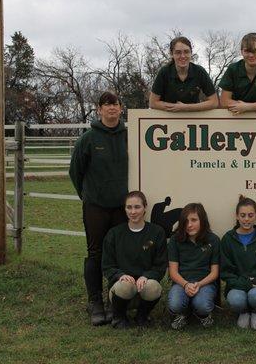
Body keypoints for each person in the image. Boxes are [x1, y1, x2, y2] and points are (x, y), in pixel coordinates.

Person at [69, 91, 128, 326]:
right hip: (96, 206)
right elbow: (76, 172)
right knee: (95, 253)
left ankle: (116, 299)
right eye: (106, 105)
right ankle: (95, 301)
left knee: (119, 254)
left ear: (121, 108)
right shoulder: (88, 139)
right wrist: (87, 196)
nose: (111, 108)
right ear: (99, 110)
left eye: (115, 104)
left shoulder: (129, 136)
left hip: (123, 207)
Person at [102, 191, 167, 329]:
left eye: (137, 207)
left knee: (154, 287)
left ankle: (142, 316)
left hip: (143, 289)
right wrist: (121, 275)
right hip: (122, 290)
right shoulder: (114, 234)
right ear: (125, 209)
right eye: (129, 207)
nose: (133, 211)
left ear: (145, 207)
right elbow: (107, 266)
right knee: (125, 285)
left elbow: (160, 265)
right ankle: (119, 316)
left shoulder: (157, 232)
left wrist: (147, 276)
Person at [220, 196, 256, 329]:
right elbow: (225, 270)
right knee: (236, 300)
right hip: (236, 286)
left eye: (250, 215)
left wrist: (255, 280)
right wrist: (243, 282)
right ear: (237, 216)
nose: (246, 219)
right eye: (243, 215)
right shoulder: (228, 239)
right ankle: (244, 312)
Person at [167, 203, 220, 329]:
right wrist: (186, 285)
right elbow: (173, 272)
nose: (189, 225)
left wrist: (199, 284)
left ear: (202, 220)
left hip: (205, 283)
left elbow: (214, 272)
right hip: (181, 282)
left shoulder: (213, 240)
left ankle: (202, 315)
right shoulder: (175, 240)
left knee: (203, 305)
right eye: (185, 221)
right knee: (175, 304)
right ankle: (183, 314)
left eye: (194, 220)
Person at [149, 36, 218, 112]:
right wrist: (175, 107)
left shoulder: (199, 71)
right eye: (178, 52)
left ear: (191, 53)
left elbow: (214, 102)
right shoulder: (164, 72)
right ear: (172, 54)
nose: (183, 56)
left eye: (186, 52)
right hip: (167, 118)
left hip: (193, 118)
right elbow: (153, 103)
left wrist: (185, 107)